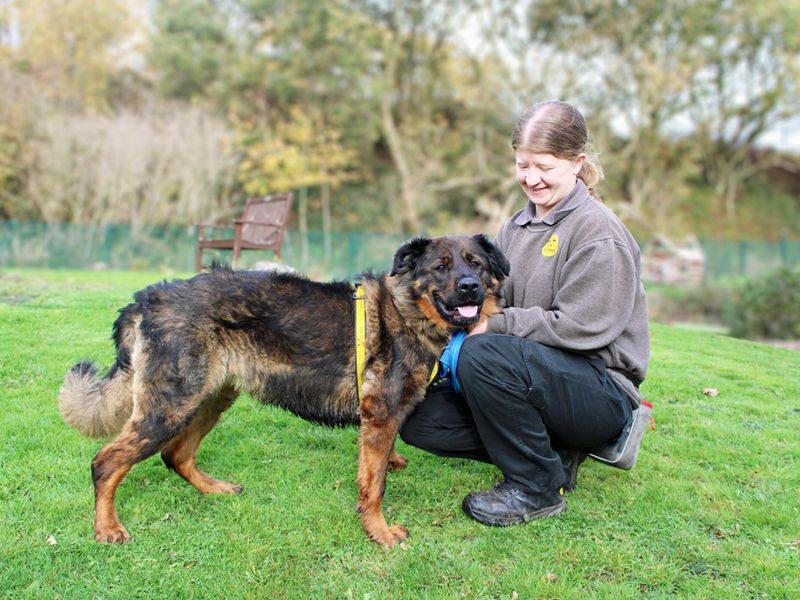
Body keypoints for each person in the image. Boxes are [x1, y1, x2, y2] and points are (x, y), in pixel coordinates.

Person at [400, 100, 650, 527]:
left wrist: (493, 325)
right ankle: (552, 455)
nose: (531, 179)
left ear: (577, 163)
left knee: (484, 355)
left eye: (545, 167)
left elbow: (584, 328)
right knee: (419, 418)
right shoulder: (515, 226)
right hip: (535, 378)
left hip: (601, 391)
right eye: (523, 165)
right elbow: (496, 298)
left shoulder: (598, 233)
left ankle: (535, 487)